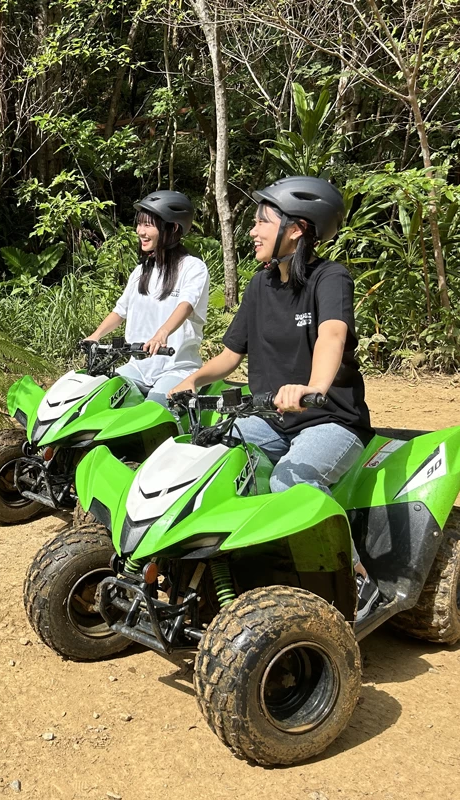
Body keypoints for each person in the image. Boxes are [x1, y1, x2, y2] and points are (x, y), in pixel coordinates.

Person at [169, 175, 378, 616]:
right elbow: (229, 354)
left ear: (296, 228)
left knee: (290, 479)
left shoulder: (330, 277)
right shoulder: (260, 285)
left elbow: (332, 335)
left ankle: (357, 580)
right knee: (206, 457)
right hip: (269, 418)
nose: (252, 230)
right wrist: (194, 380)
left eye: (262, 221)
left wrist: (313, 389)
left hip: (330, 420)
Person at [85, 190, 210, 406]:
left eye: (148, 225)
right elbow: (120, 311)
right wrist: (95, 336)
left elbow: (186, 304)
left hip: (177, 368)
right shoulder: (142, 271)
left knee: (155, 408)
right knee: (98, 397)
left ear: (173, 228)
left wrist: (162, 334)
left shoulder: (193, 268)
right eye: (140, 224)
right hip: (138, 368)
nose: (140, 231)